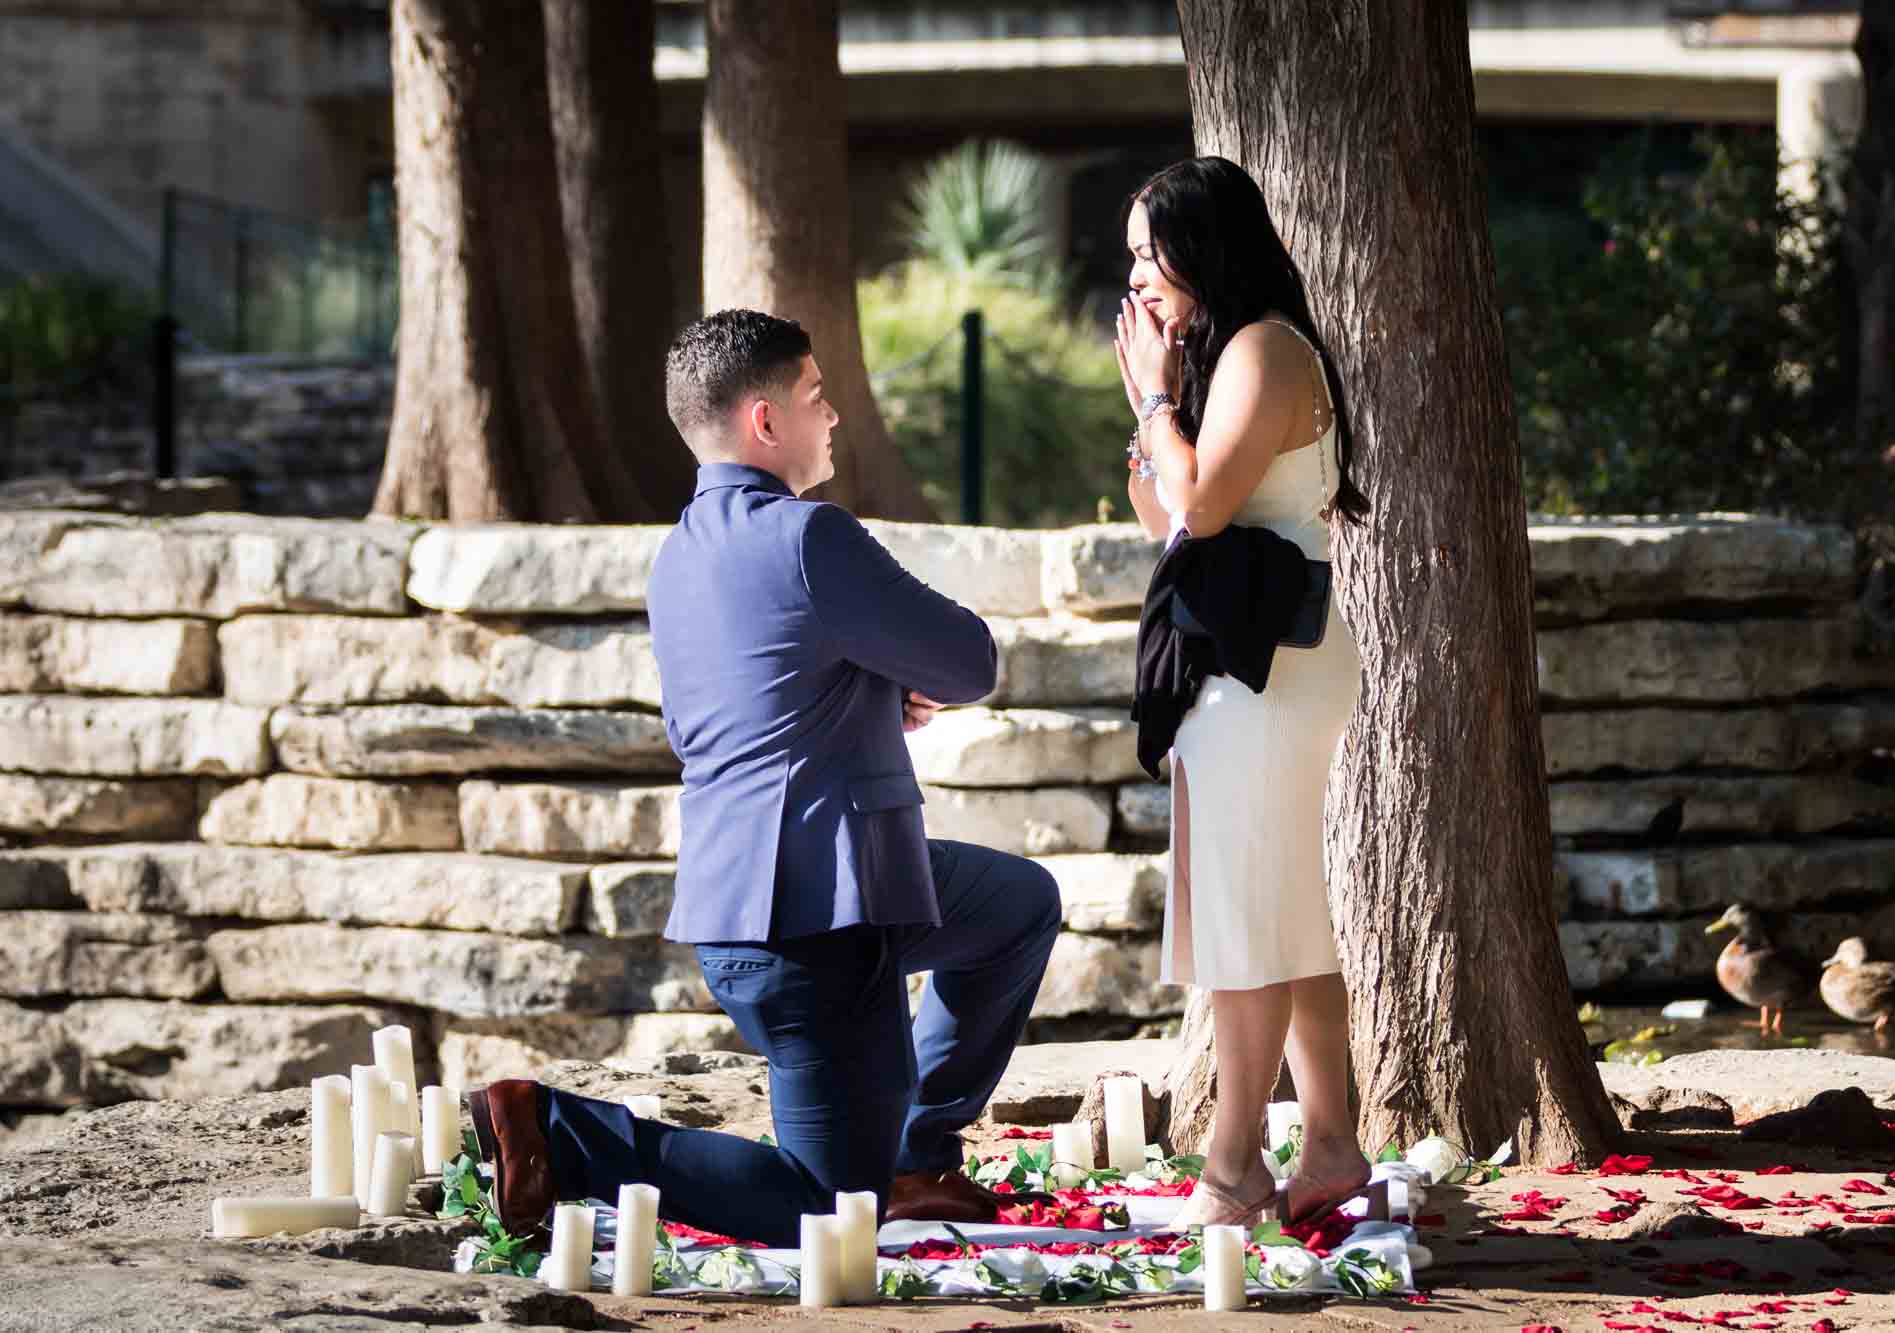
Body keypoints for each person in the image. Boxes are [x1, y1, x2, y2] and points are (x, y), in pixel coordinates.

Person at [464, 308, 1063, 1245]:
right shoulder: (807, 536)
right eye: (818, 396)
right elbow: (969, 661)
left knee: (1017, 902)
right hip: (823, 928)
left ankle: (917, 1150)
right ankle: (559, 1129)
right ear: (765, 421)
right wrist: (885, 677)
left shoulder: (679, 558)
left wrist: (865, 686)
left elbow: (750, 701)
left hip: (766, 904)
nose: (833, 417)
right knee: (829, 1214)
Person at [1113, 156, 1378, 1230]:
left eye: (1148, 252)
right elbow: (1164, 523)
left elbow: (1206, 509)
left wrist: (1148, 400)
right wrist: (1159, 405)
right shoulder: (1223, 357)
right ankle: (1328, 1144)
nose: (1137, 278)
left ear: (1201, 244)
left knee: (1242, 917)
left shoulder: (1267, 348)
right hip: (1245, 654)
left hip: (1266, 663)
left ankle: (1232, 1168)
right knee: (1281, 907)